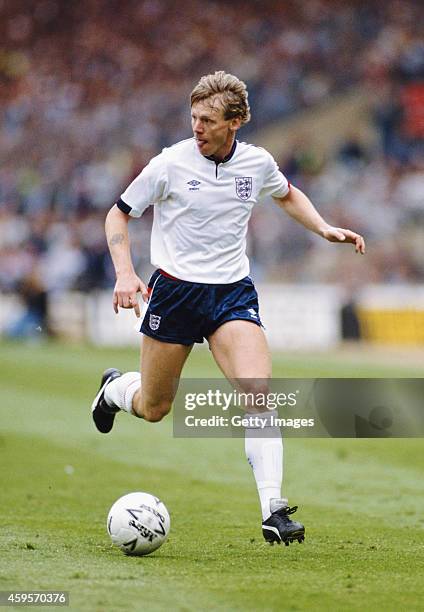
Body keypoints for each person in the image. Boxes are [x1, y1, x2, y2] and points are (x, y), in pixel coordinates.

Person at [91, 71, 365, 546]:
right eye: (194, 117)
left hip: (232, 294)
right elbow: (118, 212)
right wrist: (124, 272)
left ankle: (273, 510)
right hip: (175, 293)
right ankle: (116, 390)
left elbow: (285, 193)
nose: (196, 127)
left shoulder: (256, 164)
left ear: (235, 122)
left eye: (208, 119)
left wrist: (323, 228)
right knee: (155, 408)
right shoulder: (169, 164)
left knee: (258, 393)